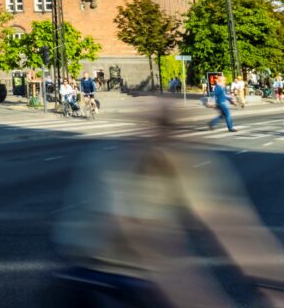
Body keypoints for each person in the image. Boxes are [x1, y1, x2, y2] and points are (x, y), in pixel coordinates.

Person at [54, 101, 284, 306]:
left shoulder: (191, 162)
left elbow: (234, 230)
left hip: (148, 275)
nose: (168, 137)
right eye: (160, 127)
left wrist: (275, 285)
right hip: (100, 276)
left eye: (174, 128)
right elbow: (148, 245)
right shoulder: (114, 165)